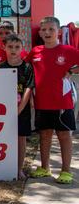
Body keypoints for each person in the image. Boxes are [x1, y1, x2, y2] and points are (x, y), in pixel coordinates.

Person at [26, 16, 79, 184]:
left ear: (58, 31)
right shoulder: (35, 51)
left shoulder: (69, 50)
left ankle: (66, 171)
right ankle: (44, 167)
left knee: (64, 135)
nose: (47, 32)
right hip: (42, 102)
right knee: (45, 135)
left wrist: (72, 71)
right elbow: (24, 68)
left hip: (63, 103)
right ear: (40, 32)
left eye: (51, 29)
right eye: (44, 30)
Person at [0, 34, 34, 180]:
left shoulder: (27, 67)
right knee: (4, 138)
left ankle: (19, 169)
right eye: (10, 47)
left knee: (21, 139)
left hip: (21, 111)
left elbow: (28, 89)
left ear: (22, 49)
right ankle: (4, 167)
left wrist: (19, 109)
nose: (13, 50)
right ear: (4, 48)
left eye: (17, 47)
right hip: (3, 111)